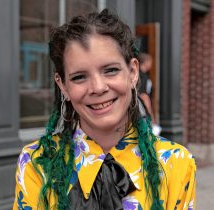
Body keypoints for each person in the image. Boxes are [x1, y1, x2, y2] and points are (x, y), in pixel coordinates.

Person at [13, 9, 196, 210]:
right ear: (63, 85)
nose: (98, 88)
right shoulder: (37, 163)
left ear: (133, 72)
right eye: (79, 77)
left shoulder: (175, 163)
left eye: (111, 70)